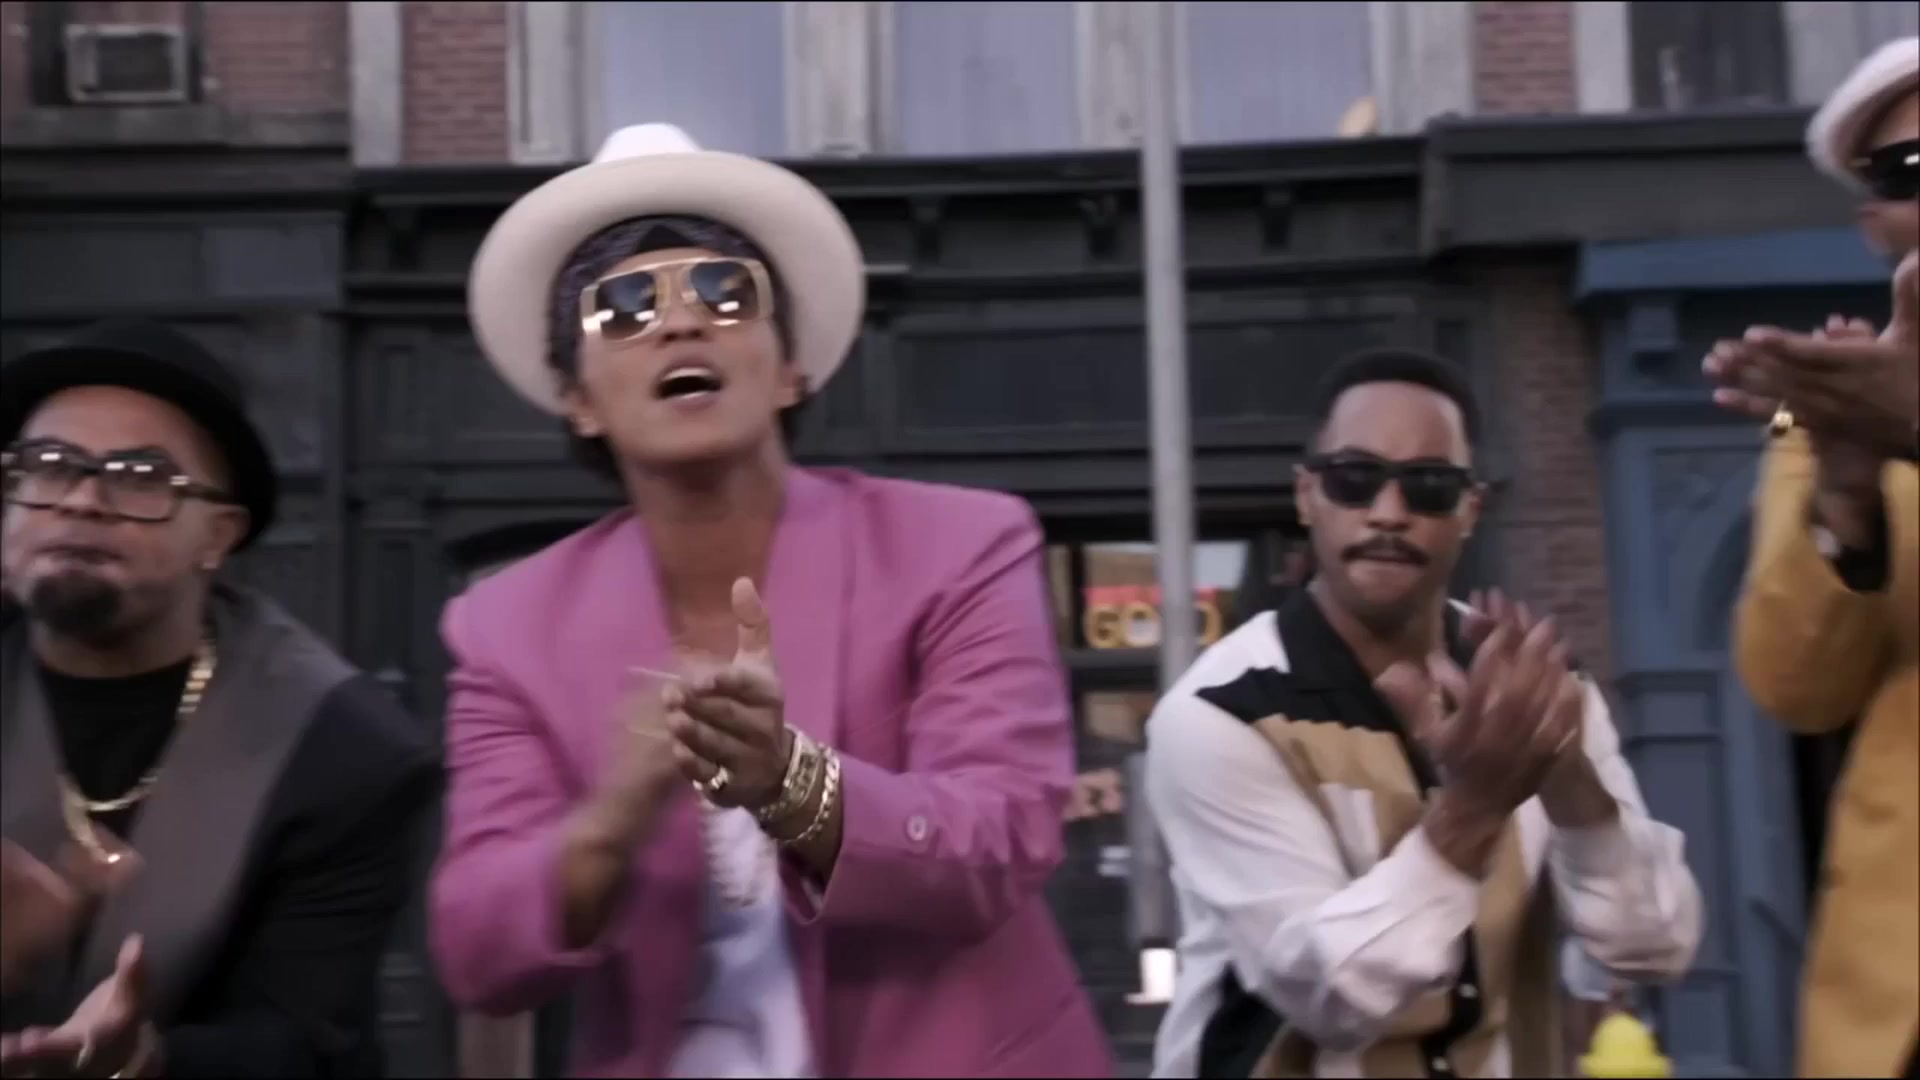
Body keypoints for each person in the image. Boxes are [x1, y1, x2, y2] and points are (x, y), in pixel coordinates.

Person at [428, 123, 1110, 1078]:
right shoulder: (506, 628)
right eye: (622, 307)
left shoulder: (960, 547)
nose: (680, 323)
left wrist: (789, 782)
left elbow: (1000, 842)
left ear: (792, 371)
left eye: (724, 292)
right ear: (578, 400)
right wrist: (612, 821)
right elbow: (475, 948)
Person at [1145, 349, 1702, 1079]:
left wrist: (1566, 777)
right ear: (1307, 495)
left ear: (1470, 509)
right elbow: (1329, 994)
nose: (1388, 512)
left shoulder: (1535, 685)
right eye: (1354, 478)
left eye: (1429, 486)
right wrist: (1475, 808)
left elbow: (1654, 946)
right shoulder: (1220, 713)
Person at [0, 321, 441, 1077]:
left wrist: (144, 1059)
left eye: (142, 477)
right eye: (47, 466)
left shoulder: (343, 748)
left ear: (218, 535)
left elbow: (305, 1041)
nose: (80, 499)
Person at [1706, 36, 1919, 1080]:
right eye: (1905, 173)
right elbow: (1794, 686)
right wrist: (1846, 492)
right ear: (1877, 220)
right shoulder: (1837, 410)